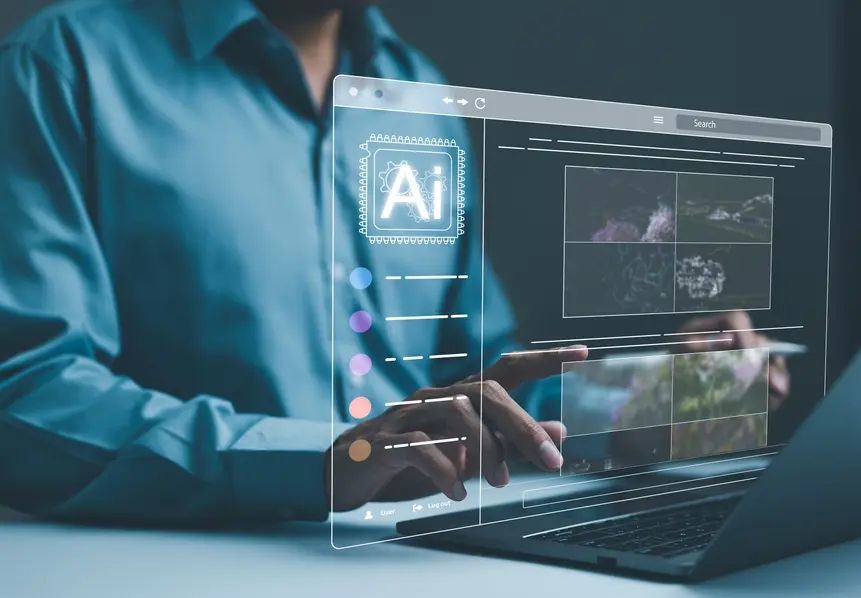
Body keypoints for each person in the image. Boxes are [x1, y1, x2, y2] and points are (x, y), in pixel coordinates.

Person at [0, 0, 788, 524]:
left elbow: (476, 379)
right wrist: (325, 462)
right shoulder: (59, 68)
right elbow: (26, 395)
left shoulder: (421, 99)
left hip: (428, 554)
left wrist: (648, 401)